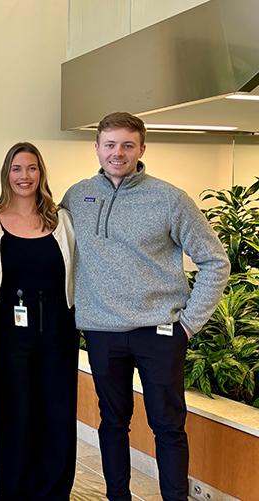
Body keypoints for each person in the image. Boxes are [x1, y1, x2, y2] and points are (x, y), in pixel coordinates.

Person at [61, 112, 229, 501]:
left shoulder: (170, 199)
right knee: (113, 424)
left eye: (126, 145)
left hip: (160, 333)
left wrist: (188, 324)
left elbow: (215, 260)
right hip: (103, 332)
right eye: (110, 145)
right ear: (97, 148)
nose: (117, 153)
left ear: (141, 148)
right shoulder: (77, 196)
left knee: (168, 426)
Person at [0, 142, 78, 500]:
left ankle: (54, 491)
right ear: (7, 174)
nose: (24, 176)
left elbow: (78, 271)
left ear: (41, 173)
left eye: (31, 168)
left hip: (59, 327)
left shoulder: (61, 219)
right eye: (17, 169)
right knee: (15, 412)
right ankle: (13, 491)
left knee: (57, 412)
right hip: (9, 330)